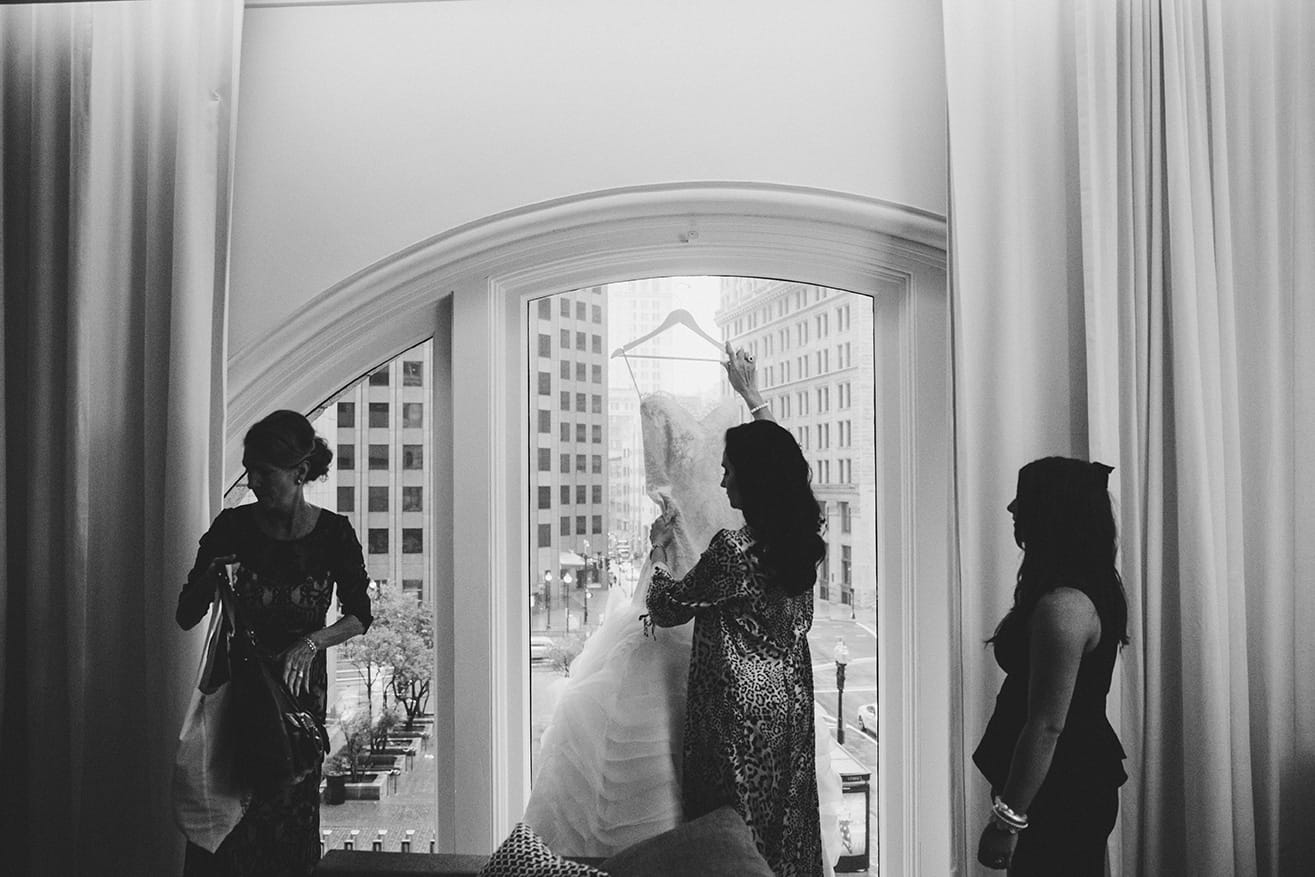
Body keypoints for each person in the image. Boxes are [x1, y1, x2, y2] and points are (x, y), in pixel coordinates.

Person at [644, 345, 827, 877]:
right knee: (787, 826)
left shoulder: (733, 551)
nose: (722, 482)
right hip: (789, 703)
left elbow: (667, 607)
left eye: (729, 472)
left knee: (731, 840)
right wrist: (754, 399)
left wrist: (657, 550)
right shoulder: (799, 534)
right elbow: (786, 465)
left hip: (736, 717)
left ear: (752, 479)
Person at [176, 409, 373, 877]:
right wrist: (210, 574)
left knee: (289, 825)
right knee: (228, 819)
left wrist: (311, 643)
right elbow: (186, 614)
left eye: (265, 472)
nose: (254, 482)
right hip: (238, 695)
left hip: (297, 703)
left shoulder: (334, 534)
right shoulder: (232, 526)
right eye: (251, 471)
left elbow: (360, 615)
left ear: (300, 473)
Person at [973, 457, 1129, 874]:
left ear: (1051, 511)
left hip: (1063, 791)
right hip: (1065, 784)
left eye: (1022, 499)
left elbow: (1047, 724)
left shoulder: (1065, 606)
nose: (1011, 508)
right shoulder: (1082, 591)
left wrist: (1007, 820)